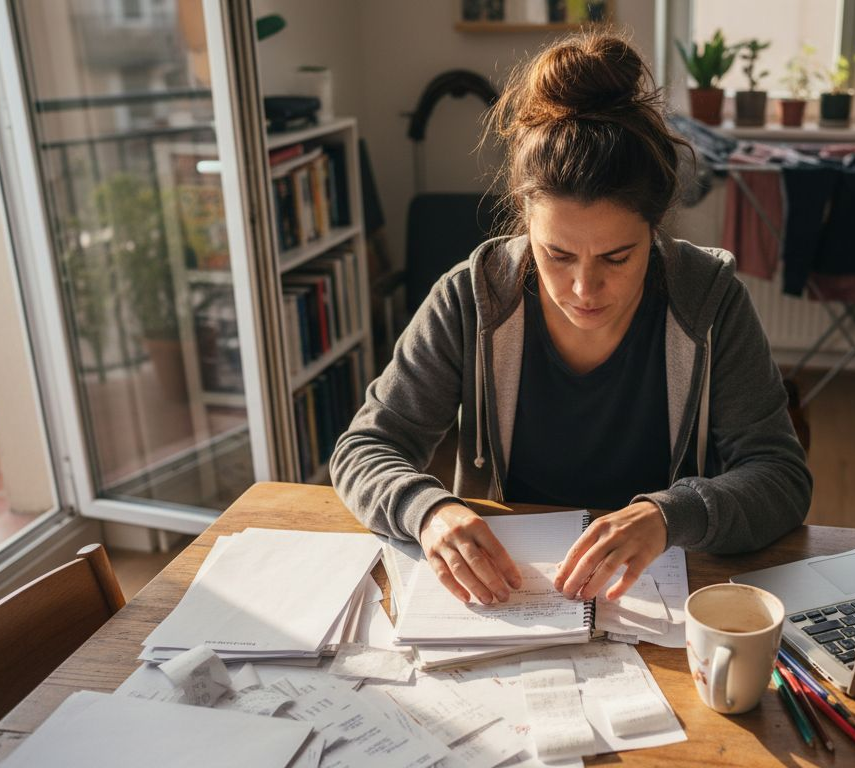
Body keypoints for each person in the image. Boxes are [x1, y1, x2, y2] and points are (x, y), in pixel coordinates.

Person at [330, 32, 811, 606]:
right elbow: (364, 448)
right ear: (524, 225)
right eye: (556, 254)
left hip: (658, 594)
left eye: (617, 257)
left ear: (655, 230)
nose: (584, 289)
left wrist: (668, 515)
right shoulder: (471, 298)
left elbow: (781, 477)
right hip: (509, 595)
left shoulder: (708, 300)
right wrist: (427, 510)